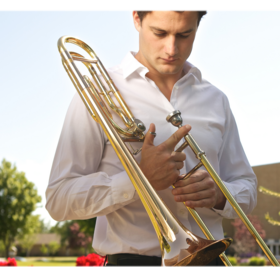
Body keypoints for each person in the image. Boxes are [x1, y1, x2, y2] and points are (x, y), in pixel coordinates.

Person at [46, 8, 257, 269]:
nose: (171, 48)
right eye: (160, 33)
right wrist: (138, 179)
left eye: (184, 34)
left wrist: (220, 195)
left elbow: (247, 186)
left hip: (210, 261)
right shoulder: (97, 93)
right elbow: (58, 200)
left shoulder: (216, 100)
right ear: (137, 18)